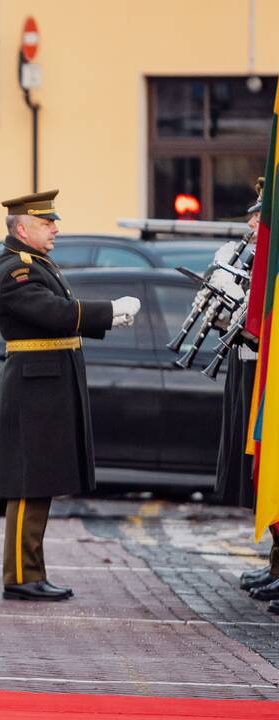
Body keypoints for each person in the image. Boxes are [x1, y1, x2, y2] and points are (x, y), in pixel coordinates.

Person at [0, 190, 140, 601]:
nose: (55, 228)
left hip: (46, 383)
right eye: (46, 223)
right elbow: (52, 312)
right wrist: (109, 310)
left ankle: (31, 571)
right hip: (33, 385)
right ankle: (20, 575)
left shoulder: (36, 264)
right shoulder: (14, 271)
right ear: (22, 228)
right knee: (27, 483)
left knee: (40, 482)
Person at [212, 179, 279, 605]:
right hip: (250, 365)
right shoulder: (253, 255)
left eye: (261, 213)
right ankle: (276, 564)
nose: (254, 222)